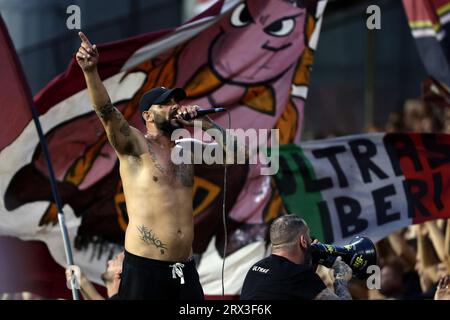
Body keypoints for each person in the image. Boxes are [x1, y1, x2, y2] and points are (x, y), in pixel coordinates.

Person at [75, 32, 242, 299]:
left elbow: (236, 156)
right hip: (145, 268)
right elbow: (106, 111)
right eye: (165, 104)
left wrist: (206, 124)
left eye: (175, 102)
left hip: (184, 268)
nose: (174, 107)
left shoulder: (186, 149)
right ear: (147, 115)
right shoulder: (135, 146)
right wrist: (91, 71)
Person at [240, 214, 353, 300]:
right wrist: (341, 279)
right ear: (303, 241)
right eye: (309, 237)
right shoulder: (300, 276)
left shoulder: (255, 269)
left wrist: (309, 264)